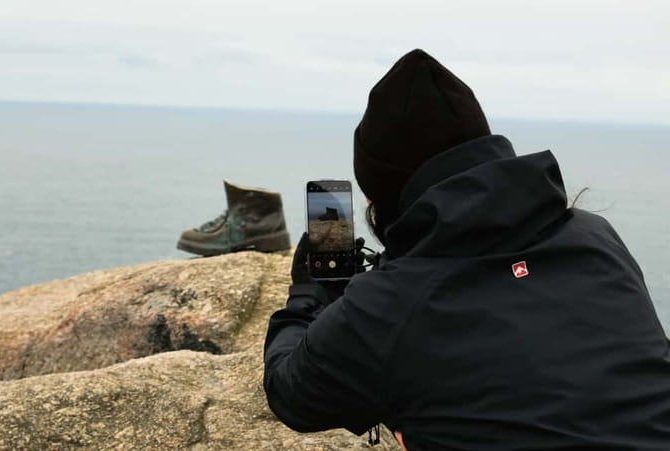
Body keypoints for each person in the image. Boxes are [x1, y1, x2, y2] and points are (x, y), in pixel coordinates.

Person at [263, 49, 670, 450]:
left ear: (383, 200)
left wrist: (310, 293)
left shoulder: (388, 305)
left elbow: (291, 394)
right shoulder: (595, 236)